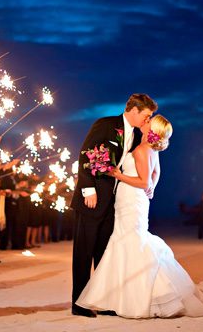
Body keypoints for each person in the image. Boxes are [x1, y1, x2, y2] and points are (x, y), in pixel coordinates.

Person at [76, 115, 203, 318]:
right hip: (134, 201)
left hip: (131, 198)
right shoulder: (151, 150)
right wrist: (152, 189)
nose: (145, 121)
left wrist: (117, 175)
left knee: (128, 242)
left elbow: (144, 181)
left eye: (149, 120)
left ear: (151, 129)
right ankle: (118, 297)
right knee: (128, 241)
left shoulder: (141, 150)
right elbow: (156, 174)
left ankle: (131, 297)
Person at [70, 93, 157, 317]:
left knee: (104, 252)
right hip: (92, 198)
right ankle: (78, 303)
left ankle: (104, 300)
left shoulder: (138, 137)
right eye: (147, 115)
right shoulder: (105, 124)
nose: (148, 120)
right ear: (135, 110)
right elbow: (85, 155)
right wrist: (88, 189)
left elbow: (147, 162)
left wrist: (151, 185)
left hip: (115, 202)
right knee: (84, 251)